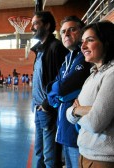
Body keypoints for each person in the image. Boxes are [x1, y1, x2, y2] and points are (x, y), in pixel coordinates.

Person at [66, 21, 114, 168]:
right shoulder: (92, 75)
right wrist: (78, 110)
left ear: (106, 42)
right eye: (82, 41)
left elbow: (95, 123)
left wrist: (76, 111)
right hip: (84, 154)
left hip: (103, 160)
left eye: (90, 40)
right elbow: (69, 114)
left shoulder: (112, 74)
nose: (83, 46)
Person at [46, 16, 91, 168]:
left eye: (72, 30)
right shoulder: (67, 59)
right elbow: (54, 89)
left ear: (82, 32)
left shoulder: (84, 57)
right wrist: (56, 96)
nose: (66, 34)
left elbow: (61, 88)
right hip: (65, 127)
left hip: (77, 131)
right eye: (63, 31)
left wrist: (57, 93)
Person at [30, 11, 69, 168]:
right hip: (39, 108)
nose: (32, 28)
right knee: (39, 152)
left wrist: (47, 104)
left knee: (50, 156)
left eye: (36, 24)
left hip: (48, 109)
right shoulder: (40, 50)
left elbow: (63, 80)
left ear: (46, 25)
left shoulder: (55, 47)